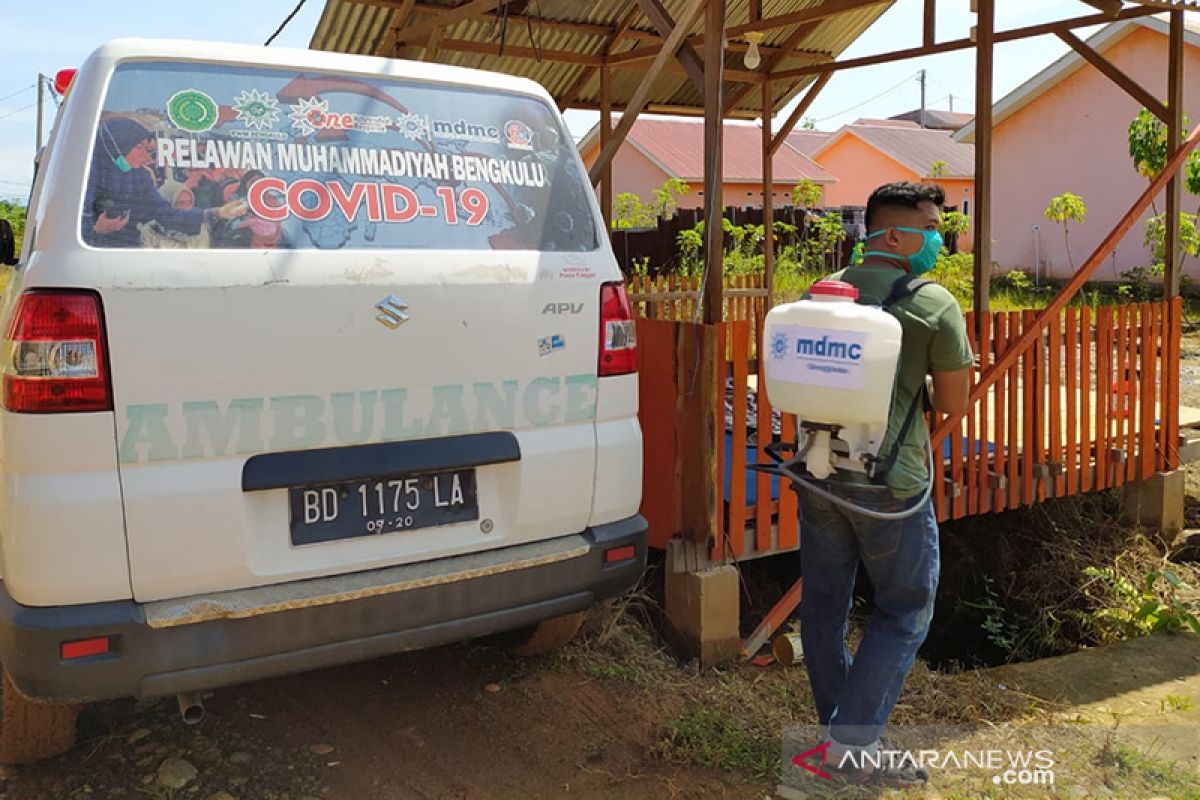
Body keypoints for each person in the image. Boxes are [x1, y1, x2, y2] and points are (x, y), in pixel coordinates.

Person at [796, 181, 972, 787]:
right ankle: (851, 746)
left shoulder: (820, 297)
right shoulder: (931, 303)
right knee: (904, 611)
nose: (938, 239)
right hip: (889, 485)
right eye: (930, 226)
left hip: (817, 472)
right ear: (894, 234)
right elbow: (953, 404)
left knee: (823, 608)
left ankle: (843, 735)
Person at [82, 117, 245, 248]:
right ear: (116, 146)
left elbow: (165, 213)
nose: (146, 158)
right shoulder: (83, 175)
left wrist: (217, 213)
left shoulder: (138, 177)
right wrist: (93, 229)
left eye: (148, 150)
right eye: (139, 148)